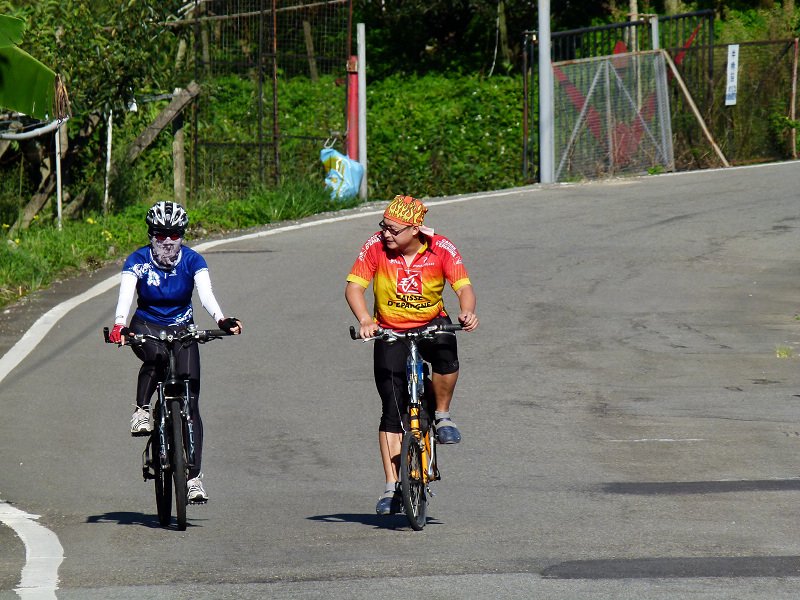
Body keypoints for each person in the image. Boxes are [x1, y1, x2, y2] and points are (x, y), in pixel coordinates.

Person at [345, 194, 478, 515]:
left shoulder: (441, 248)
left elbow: (463, 287)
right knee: (391, 410)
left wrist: (467, 311)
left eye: (393, 229)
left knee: (446, 355)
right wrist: (365, 320)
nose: (386, 234)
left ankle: (443, 415)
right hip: (389, 329)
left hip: (431, 322)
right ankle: (392, 486)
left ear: (415, 229)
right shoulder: (375, 246)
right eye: (384, 227)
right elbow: (354, 287)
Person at [107, 200, 242, 503]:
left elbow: (205, 294)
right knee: (154, 356)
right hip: (147, 325)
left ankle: (193, 478)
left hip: (183, 328)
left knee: (191, 404)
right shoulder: (137, 261)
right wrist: (119, 325)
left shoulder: (193, 260)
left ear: (182, 234)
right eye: (160, 234)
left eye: (174, 234)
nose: (167, 241)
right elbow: (125, 296)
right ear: (150, 234)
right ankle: (142, 410)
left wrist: (221, 319)